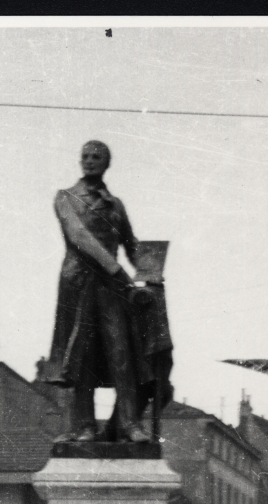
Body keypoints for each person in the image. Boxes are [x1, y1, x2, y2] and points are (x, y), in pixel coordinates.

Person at [41, 140, 171, 444]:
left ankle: (129, 424)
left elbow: (131, 243)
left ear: (106, 163)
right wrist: (121, 274)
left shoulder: (116, 205)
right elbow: (80, 237)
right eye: (85, 156)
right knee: (81, 354)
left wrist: (152, 274)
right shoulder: (66, 197)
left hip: (112, 289)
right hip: (80, 282)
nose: (89, 161)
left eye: (96, 157)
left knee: (121, 351)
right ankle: (83, 426)